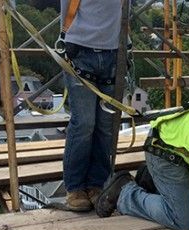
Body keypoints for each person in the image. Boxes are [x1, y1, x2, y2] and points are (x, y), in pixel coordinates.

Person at [60, 0, 123, 211]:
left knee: (105, 126)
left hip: (113, 53)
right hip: (81, 50)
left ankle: (97, 184)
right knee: (84, 123)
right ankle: (75, 187)